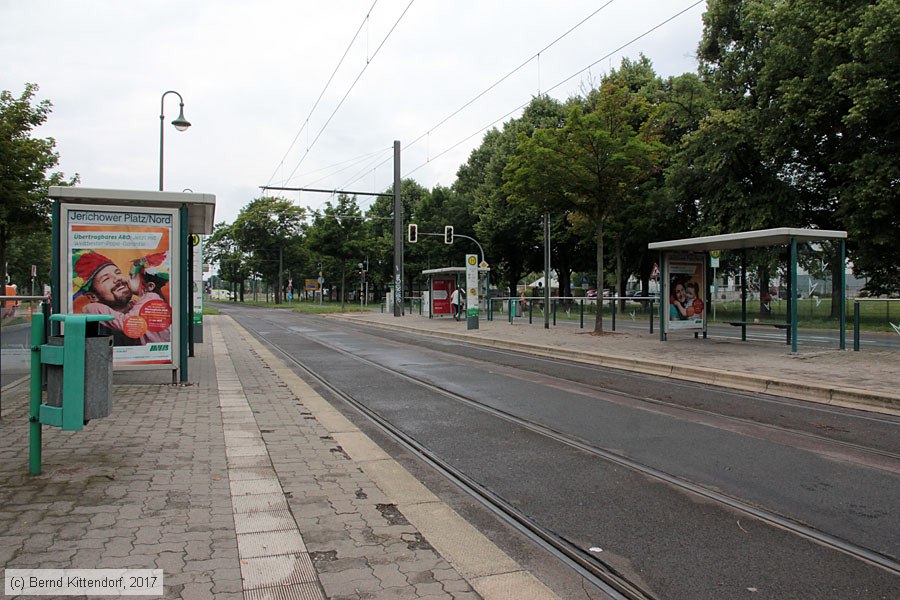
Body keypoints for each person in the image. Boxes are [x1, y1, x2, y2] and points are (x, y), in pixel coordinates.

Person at [73, 250, 172, 345]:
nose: (120, 278)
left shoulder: (149, 300)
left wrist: (94, 308)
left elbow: (127, 323)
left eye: (117, 272)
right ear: (92, 297)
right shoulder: (95, 328)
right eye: (106, 279)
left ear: (150, 286)